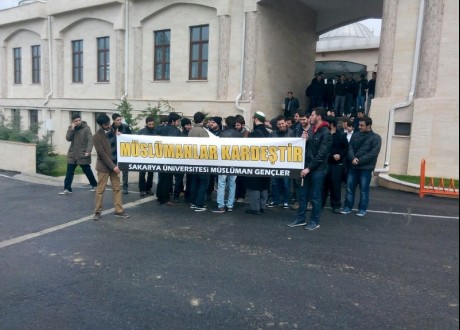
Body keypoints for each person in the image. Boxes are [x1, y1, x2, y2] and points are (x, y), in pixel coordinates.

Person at [288, 107, 331, 230]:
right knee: (303, 195)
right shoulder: (312, 130)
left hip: (317, 169)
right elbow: (308, 149)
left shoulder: (325, 133)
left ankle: (314, 221)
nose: (310, 117)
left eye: (312, 115)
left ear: (318, 117)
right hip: (307, 168)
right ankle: (300, 218)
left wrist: (309, 168)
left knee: (315, 197)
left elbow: (321, 155)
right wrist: (304, 140)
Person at [341, 116, 382, 217]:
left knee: (364, 190)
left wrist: (358, 160)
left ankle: (362, 209)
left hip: (365, 169)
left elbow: (373, 153)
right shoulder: (355, 135)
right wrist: (352, 158)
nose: (359, 127)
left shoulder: (376, 138)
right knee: (349, 189)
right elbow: (349, 148)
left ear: (369, 126)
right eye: (359, 125)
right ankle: (347, 207)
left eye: (362, 125)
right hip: (353, 167)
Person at [92, 114, 130, 220]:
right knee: (100, 190)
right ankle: (97, 212)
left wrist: (120, 136)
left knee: (117, 188)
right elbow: (102, 154)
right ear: (101, 125)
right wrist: (114, 167)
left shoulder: (113, 130)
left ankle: (119, 211)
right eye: (106, 124)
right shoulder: (96, 137)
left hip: (115, 165)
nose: (108, 125)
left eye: (109, 123)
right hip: (104, 167)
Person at [59, 113, 98, 195]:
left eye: (79, 120)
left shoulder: (86, 128)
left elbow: (90, 140)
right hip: (73, 154)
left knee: (87, 170)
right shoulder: (71, 128)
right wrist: (72, 129)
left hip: (82, 153)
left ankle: (95, 185)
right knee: (69, 172)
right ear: (73, 122)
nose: (78, 122)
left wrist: (88, 151)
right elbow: (68, 138)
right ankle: (67, 188)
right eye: (76, 121)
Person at [211, 116, 243, 213]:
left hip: (223, 161)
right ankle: (230, 205)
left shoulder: (223, 134)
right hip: (235, 162)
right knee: (232, 184)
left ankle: (221, 205)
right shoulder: (240, 135)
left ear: (227, 124)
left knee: (221, 184)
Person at [245, 111, 271, 215]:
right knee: (264, 185)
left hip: (255, 163)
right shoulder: (268, 132)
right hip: (266, 163)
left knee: (255, 185)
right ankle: (262, 206)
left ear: (255, 119)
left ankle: (255, 208)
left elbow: (249, 148)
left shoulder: (255, 133)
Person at [322, 117, 348, 214]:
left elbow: (346, 148)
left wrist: (340, 155)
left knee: (335, 186)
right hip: (325, 163)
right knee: (323, 185)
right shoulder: (324, 134)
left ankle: (336, 205)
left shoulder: (341, 135)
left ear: (331, 124)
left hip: (336, 165)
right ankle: (320, 203)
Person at [155, 112, 182, 205]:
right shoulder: (176, 131)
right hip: (170, 157)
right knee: (168, 179)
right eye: (178, 121)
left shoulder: (162, 128)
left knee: (161, 177)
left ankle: (159, 196)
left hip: (160, 156)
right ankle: (165, 199)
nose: (179, 123)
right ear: (173, 121)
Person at [267, 115, 294, 208]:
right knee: (274, 183)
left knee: (286, 183)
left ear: (286, 123)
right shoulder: (273, 134)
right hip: (275, 162)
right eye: (279, 124)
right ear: (277, 125)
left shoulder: (292, 133)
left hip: (287, 163)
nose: (281, 125)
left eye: (282, 123)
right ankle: (275, 200)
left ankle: (286, 201)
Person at [188, 112, 211, 212]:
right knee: (203, 183)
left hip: (193, 160)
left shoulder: (191, 131)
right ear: (203, 120)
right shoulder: (203, 132)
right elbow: (208, 146)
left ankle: (193, 202)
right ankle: (199, 204)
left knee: (194, 182)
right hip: (202, 160)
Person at [172, 118, 192, 203]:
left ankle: (182, 195)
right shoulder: (181, 135)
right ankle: (177, 195)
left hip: (187, 160)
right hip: (181, 160)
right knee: (179, 179)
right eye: (187, 125)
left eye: (189, 124)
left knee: (186, 179)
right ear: (183, 125)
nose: (188, 126)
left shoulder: (189, 134)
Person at [112, 113, 133, 194]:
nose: (119, 121)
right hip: (114, 151)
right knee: (115, 170)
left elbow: (131, 136)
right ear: (114, 121)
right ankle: (116, 186)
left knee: (125, 170)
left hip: (124, 151)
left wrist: (123, 135)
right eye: (117, 120)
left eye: (120, 119)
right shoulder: (111, 128)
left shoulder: (125, 127)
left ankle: (125, 187)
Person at [137, 117, 156, 197]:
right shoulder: (141, 132)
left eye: (152, 124)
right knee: (142, 174)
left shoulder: (156, 131)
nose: (151, 126)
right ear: (146, 124)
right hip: (143, 156)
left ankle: (148, 188)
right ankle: (142, 189)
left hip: (152, 156)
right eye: (149, 124)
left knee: (150, 174)